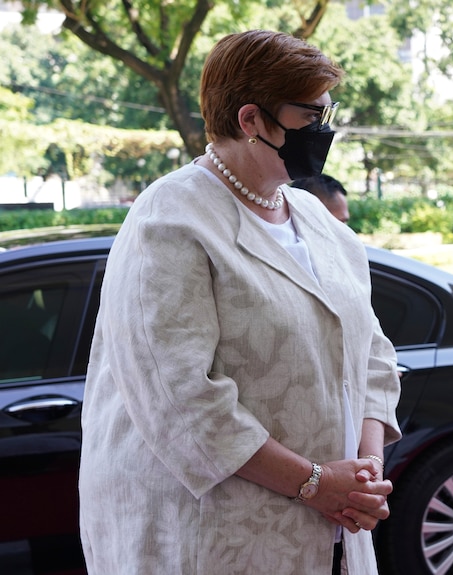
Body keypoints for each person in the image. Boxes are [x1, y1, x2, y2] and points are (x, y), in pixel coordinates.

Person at [78, 30, 401, 575]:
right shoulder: (171, 217)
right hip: (208, 535)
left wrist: (365, 472)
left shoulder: (320, 222)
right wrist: (316, 483)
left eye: (329, 112)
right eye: (311, 115)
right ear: (251, 120)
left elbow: (372, 354)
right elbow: (180, 398)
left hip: (330, 529)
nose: (325, 130)